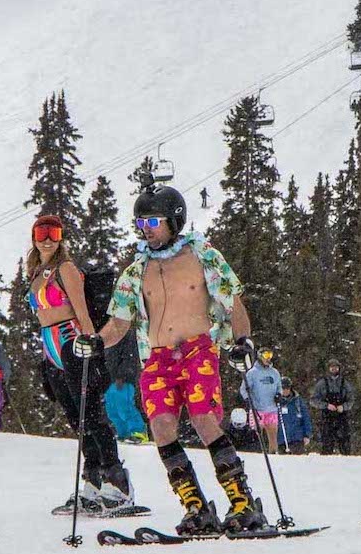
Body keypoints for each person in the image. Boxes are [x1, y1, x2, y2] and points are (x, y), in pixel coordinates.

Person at [93, 184, 267, 535]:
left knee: (204, 418)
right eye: (140, 222)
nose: (146, 229)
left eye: (153, 221)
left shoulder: (202, 255)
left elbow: (233, 303)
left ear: (174, 220)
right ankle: (195, 507)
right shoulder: (136, 270)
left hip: (197, 349)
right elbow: (119, 324)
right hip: (157, 359)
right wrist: (94, 343)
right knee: (160, 427)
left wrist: (243, 340)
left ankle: (243, 502)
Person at [26, 215, 133, 514]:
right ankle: (93, 480)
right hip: (51, 344)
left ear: (61, 237)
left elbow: (82, 310)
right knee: (76, 416)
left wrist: (92, 347)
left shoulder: (66, 269)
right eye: (42, 232)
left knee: (92, 412)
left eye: (54, 232)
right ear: (34, 237)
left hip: (71, 339)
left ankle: (117, 479)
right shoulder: (36, 272)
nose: (47, 239)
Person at [239, 347, 283, 452]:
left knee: (273, 435)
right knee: (257, 436)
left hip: (271, 408)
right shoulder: (252, 373)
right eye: (266, 356)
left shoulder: (274, 373)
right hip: (257, 409)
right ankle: (258, 455)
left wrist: (279, 395)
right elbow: (243, 389)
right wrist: (247, 400)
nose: (268, 358)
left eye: (270, 356)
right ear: (260, 357)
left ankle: (273, 455)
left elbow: (279, 387)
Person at [310, 358, 355, 455]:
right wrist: (326, 406)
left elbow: (351, 400)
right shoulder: (322, 383)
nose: (334, 369)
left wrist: (343, 407)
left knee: (345, 444)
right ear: (328, 369)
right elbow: (313, 400)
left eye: (336, 367)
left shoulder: (345, 383)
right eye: (332, 367)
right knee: (327, 444)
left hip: (342, 417)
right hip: (327, 418)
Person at [105, 376, 148, 443]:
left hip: (123, 380)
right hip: (109, 380)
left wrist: (122, 376)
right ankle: (124, 433)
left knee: (126, 408)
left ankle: (138, 432)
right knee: (113, 411)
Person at [276, 377, 312, 455]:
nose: (285, 390)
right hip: (281, 439)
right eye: (283, 388)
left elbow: (306, 418)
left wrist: (307, 434)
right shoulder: (276, 402)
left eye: (287, 388)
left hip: (297, 438)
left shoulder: (298, 401)